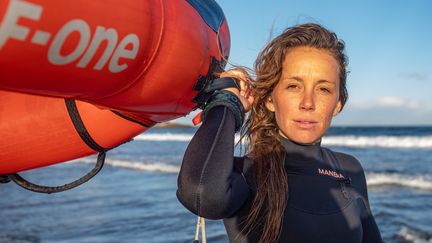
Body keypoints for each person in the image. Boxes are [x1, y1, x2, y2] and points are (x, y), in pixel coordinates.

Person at [176, 23, 383, 243]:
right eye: (293, 86)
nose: (307, 103)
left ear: (338, 103)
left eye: (323, 89)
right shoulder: (247, 173)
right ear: (269, 99)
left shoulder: (350, 169)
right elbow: (201, 194)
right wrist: (227, 103)